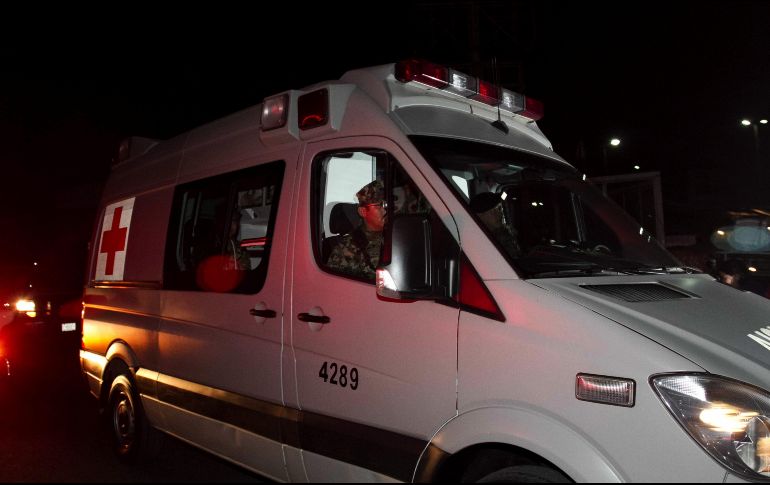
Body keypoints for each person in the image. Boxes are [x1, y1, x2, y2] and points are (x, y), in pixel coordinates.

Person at [327, 179, 386, 280]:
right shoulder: (346, 248)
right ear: (363, 211)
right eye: (379, 206)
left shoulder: (397, 236)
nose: (385, 210)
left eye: (386, 204)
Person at [470, 192, 521, 258]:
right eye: (495, 210)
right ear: (480, 216)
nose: (500, 214)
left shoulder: (503, 232)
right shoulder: (479, 243)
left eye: (500, 209)